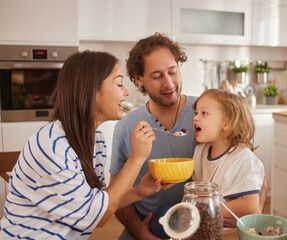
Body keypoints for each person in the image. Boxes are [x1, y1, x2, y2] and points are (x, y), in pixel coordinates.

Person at [110, 33, 268, 239]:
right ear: (139, 79)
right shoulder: (126, 126)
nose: (169, 83)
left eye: (172, 72)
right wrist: (142, 234)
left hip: (202, 227)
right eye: (157, 76)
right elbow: (115, 196)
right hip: (146, 229)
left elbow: (256, 175)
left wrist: (250, 218)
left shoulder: (208, 112)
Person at [0, 51, 171, 239]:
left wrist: (139, 192)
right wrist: (137, 158)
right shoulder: (52, 146)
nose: (126, 91)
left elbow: (95, 203)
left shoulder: (94, 139)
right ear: (92, 90)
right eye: (119, 83)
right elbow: (96, 217)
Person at [192, 89, 265, 225]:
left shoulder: (243, 159)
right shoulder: (200, 151)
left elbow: (250, 205)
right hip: (207, 225)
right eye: (196, 113)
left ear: (227, 123)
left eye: (204, 113)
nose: (196, 117)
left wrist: (207, 211)